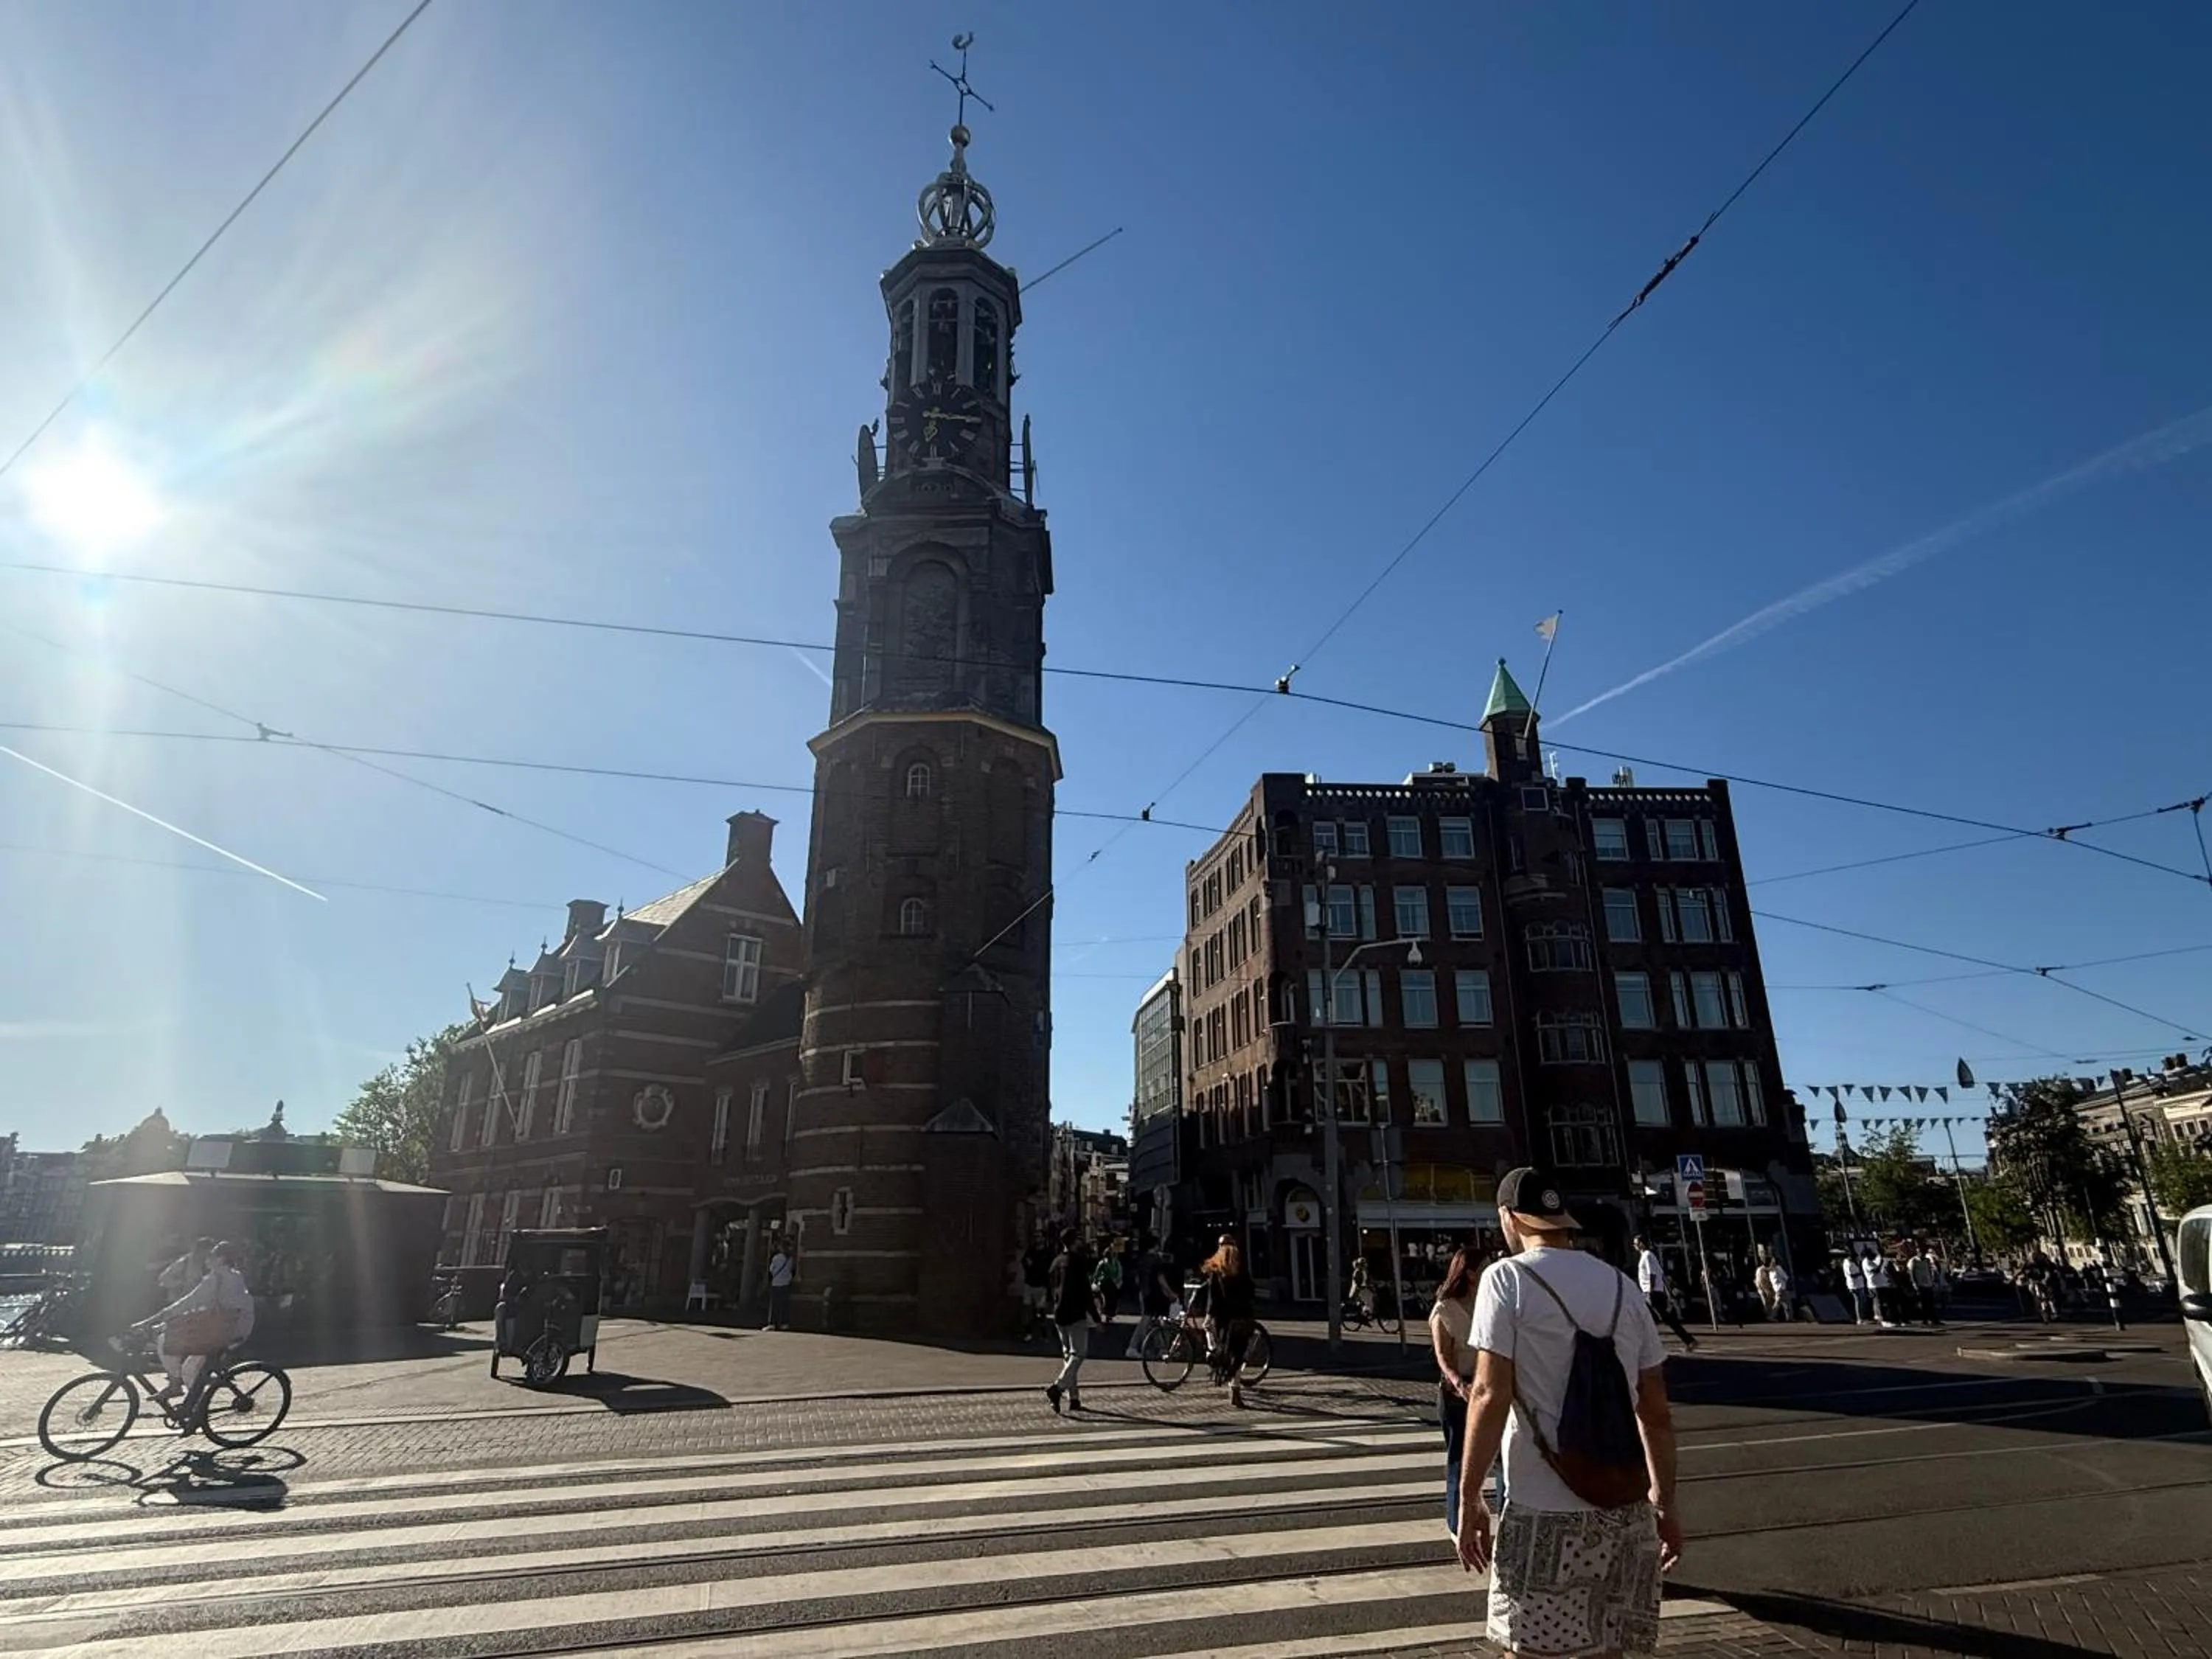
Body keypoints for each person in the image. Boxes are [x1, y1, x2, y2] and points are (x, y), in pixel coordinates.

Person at [1455, 1169, 1680, 1658]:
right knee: (1609, 1650)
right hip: (1626, 1512)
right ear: (1563, 1222)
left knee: (1533, 1651)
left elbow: (1489, 1396)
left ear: (1508, 1219)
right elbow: (1656, 1413)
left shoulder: (1506, 1278)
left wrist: (1470, 1496)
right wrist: (1663, 1504)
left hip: (1544, 1511)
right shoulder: (1622, 1286)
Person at [137, 1239, 254, 1402]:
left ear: (221, 1259)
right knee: (167, 1339)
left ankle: (194, 1404)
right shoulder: (233, 1276)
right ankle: (179, 1389)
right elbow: (202, 1308)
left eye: (211, 1255)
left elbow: (188, 1303)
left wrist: (149, 1322)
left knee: (188, 1368)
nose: (207, 1259)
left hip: (225, 1331)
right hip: (224, 1327)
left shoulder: (216, 1280)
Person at [1430, 1247, 1480, 1540]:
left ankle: (1506, 1516)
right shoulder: (1444, 1309)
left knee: (1501, 1457)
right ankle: (1456, 1523)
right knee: (1459, 1458)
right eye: (1484, 1267)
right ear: (1471, 1273)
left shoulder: (1486, 1302)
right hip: (1456, 1392)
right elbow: (1442, 1355)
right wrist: (1460, 1385)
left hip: (1485, 1386)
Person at [1197, 1234, 1256, 1408]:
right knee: (1238, 1353)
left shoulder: (1217, 1268)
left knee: (1224, 1348)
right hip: (1242, 1317)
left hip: (1224, 1318)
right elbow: (1251, 1291)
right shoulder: (1241, 1267)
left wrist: (1209, 1315)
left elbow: (1213, 1298)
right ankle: (1235, 1388)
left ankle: (1213, 1356)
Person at [1044, 1228, 1096, 1414]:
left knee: (1068, 1356)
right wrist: (1096, 1317)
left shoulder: (1056, 1262)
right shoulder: (1077, 1262)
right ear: (1075, 1242)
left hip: (1059, 1313)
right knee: (1079, 1353)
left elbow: (1051, 1287)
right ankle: (1057, 1389)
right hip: (1076, 1313)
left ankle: (1074, 1399)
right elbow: (1086, 1292)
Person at [1633, 1237, 1698, 1351]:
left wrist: (1651, 1291)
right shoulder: (1650, 1256)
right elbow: (1661, 1275)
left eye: (1636, 1243)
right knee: (1657, 1319)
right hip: (1654, 1292)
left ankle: (1689, 1341)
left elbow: (1652, 1274)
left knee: (1661, 1319)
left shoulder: (1647, 1256)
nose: (1634, 1246)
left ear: (1642, 1244)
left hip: (1652, 1293)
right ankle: (1688, 1340)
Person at [1126, 1247, 1179, 1359]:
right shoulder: (1156, 1260)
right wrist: (1170, 1292)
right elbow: (1161, 1278)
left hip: (1145, 1292)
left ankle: (1160, 1349)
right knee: (1151, 1321)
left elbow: (1137, 1278)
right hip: (1154, 1293)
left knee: (1152, 1321)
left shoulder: (1141, 1260)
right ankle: (1135, 1347)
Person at [765, 1239, 796, 1331]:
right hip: (786, 1283)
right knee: (785, 1304)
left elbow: (771, 1270)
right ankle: (784, 1323)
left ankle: (772, 1323)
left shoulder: (776, 1258)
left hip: (776, 1283)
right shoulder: (790, 1259)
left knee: (775, 1305)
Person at [1907, 1245, 1940, 1326]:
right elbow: (1911, 1273)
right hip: (1920, 1284)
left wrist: (1932, 1281)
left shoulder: (1927, 1260)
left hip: (1928, 1283)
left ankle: (1933, 1319)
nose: (1922, 1254)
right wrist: (1914, 1283)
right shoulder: (1914, 1261)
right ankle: (1925, 1320)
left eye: (1923, 1252)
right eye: (1920, 1252)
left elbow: (1930, 1271)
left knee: (1931, 1302)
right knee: (1923, 1303)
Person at [1840, 1249, 1871, 1324]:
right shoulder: (1848, 1264)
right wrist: (1860, 1273)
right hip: (1854, 1285)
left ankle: (1863, 1317)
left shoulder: (1854, 1263)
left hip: (1860, 1284)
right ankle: (1860, 1318)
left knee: (1862, 1301)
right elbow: (1852, 1275)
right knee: (1858, 1302)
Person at [1764, 1255, 1793, 1323]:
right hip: (1780, 1289)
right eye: (1772, 1261)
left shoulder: (1775, 1270)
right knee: (1782, 1304)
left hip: (1780, 1289)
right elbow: (1785, 1278)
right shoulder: (1774, 1270)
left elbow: (1784, 1277)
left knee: (1784, 1304)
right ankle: (1773, 1316)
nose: (1773, 1262)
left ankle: (1789, 1317)